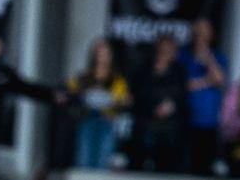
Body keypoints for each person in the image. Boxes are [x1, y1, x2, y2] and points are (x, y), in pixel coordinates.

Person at [66, 38, 129, 170]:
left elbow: (121, 100)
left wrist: (121, 101)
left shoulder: (117, 80)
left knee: (102, 159)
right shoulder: (82, 77)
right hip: (86, 119)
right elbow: (69, 91)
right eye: (99, 52)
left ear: (110, 55)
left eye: (105, 52)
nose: (102, 56)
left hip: (106, 120)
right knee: (83, 157)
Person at [131, 34, 187, 172]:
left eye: (168, 50)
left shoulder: (179, 73)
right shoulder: (142, 71)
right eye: (161, 49)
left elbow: (183, 97)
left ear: (173, 53)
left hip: (170, 130)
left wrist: (172, 106)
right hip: (145, 126)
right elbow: (136, 97)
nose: (164, 53)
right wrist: (153, 109)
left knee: (167, 169)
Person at [181, 17, 227, 174]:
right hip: (185, 121)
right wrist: (208, 81)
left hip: (208, 123)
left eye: (204, 32)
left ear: (211, 35)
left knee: (204, 170)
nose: (200, 35)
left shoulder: (218, 58)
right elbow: (184, 85)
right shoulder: (183, 56)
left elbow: (219, 79)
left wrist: (207, 56)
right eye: (198, 31)